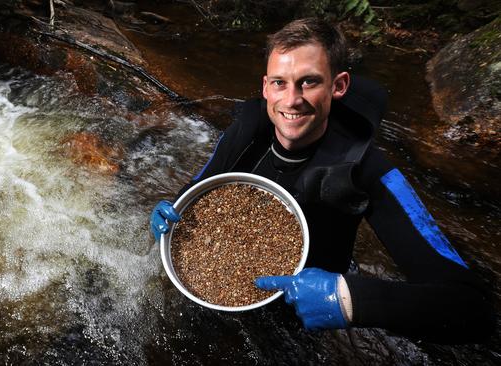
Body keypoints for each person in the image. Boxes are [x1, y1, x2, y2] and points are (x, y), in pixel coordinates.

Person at [150, 18, 494, 343]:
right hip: (211, 286)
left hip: (299, 317)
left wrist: (349, 299)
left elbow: (473, 308)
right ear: (266, 87)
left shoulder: (368, 169)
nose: (291, 100)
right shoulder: (247, 130)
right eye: (279, 83)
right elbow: (194, 190)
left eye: (309, 82)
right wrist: (170, 210)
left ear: (339, 85)